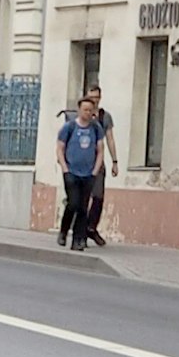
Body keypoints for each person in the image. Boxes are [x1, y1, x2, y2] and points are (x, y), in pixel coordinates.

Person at [54, 85, 116, 249]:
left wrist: (107, 164)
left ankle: (80, 238)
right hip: (72, 171)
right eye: (86, 108)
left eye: (96, 100)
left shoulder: (99, 124)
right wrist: (65, 168)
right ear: (80, 109)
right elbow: (60, 148)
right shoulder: (70, 127)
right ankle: (64, 231)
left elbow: (103, 146)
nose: (89, 111)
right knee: (73, 203)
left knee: (88, 203)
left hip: (91, 171)